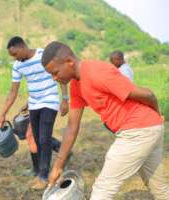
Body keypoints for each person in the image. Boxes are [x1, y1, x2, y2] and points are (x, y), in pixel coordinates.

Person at [41, 41, 169, 199]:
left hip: (137, 131)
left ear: (69, 62)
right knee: (158, 186)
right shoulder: (76, 85)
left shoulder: (97, 72)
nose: (54, 78)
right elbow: (71, 128)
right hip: (148, 128)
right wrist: (57, 167)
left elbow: (147, 94)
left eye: (55, 72)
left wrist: (157, 113)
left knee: (103, 190)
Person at [0, 36, 69, 190]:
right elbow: (13, 91)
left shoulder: (44, 55)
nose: (15, 58)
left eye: (16, 54)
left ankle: (43, 176)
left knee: (43, 139)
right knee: (38, 138)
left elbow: (60, 75)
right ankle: (63, 151)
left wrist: (64, 98)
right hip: (34, 104)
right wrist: (3, 113)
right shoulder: (18, 66)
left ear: (23, 47)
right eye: (12, 56)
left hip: (50, 101)